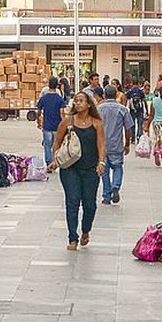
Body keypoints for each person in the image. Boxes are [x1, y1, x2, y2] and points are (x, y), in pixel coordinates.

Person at [49, 92, 106, 251]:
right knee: (72, 202)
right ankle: (72, 237)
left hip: (90, 169)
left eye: (81, 101)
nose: (78, 103)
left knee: (90, 205)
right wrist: (55, 160)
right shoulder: (67, 122)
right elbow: (57, 143)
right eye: (76, 101)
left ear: (89, 105)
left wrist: (101, 162)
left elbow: (101, 145)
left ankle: (85, 230)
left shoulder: (96, 123)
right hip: (70, 169)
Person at [97, 85, 133, 205]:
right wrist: (127, 144)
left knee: (104, 171)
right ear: (116, 94)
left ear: (104, 95)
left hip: (102, 146)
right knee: (117, 167)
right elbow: (128, 128)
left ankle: (106, 196)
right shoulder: (122, 109)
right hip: (116, 145)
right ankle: (116, 186)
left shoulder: (99, 109)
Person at [37, 76, 67, 169]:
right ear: (57, 85)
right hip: (57, 127)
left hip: (47, 126)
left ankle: (49, 163)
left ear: (48, 85)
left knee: (47, 145)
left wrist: (38, 120)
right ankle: (55, 162)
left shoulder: (44, 98)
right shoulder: (59, 99)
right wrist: (64, 124)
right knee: (56, 145)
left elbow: (38, 110)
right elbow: (62, 113)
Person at [144, 85, 162, 167]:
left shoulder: (154, 101)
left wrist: (147, 125)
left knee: (157, 139)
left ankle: (156, 151)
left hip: (156, 123)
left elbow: (151, 114)